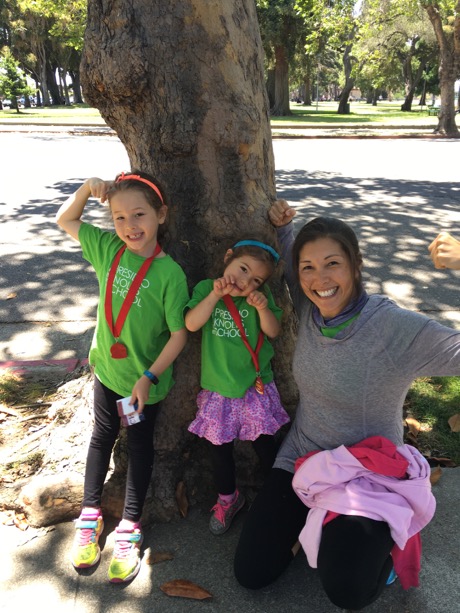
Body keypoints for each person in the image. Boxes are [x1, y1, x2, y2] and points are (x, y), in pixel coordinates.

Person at [234, 200, 460, 611]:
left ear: (355, 265)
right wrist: (285, 228)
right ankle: (318, 518)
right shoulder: (309, 306)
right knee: (251, 574)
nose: (320, 279)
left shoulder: (394, 328)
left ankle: (385, 544)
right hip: (303, 459)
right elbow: (290, 262)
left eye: (332, 264)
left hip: (367, 472)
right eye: (309, 268)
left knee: (348, 591)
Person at [55, 171, 188, 583]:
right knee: (101, 437)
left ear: (160, 214)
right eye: (119, 218)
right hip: (108, 372)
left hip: (142, 387)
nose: (130, 226)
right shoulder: (108, 249)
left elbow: (180, 334)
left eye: (139, 215)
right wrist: (83, 190)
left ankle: (130, 526)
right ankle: (90, 517)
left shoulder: (170, 275)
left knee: (140, 447)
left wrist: (149, 376)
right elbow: (66, 220)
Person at [185, 238, 290, 535]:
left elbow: (274, 331)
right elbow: (192, 324)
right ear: (227, 257)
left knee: (265, 444)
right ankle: (229, 499)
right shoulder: (207, 288)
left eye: (255, 279)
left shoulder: (261, 297)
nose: (245, 281)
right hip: (219, 389)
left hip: (254, 388)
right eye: (242, 269)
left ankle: (278, 494)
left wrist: (262, 308)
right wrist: (214, 297)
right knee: (219, 450)